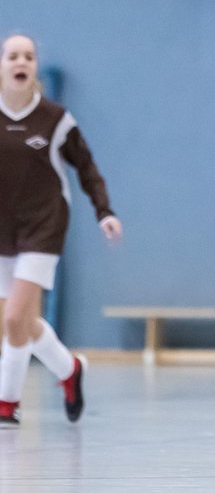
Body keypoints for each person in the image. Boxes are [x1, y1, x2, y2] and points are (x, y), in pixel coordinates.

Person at [0, 33, 122, 427]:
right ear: (2, 66)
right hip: (3, 231)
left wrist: (104, 211)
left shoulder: (55, 120)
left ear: (34, 67)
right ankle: (69, 369)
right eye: (13, 55)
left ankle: (7, 403)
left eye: (28, 56)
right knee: (19, 324)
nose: (21, 61)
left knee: (17, 318)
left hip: (43, 227)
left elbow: (87, 168)